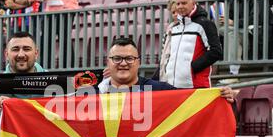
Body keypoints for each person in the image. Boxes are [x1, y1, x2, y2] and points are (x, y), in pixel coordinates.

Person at [95, 37, 235, 104]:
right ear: (108, 62)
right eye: (117, 58)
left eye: (129, 58)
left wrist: (220, 97)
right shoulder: (90, 95)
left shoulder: (160, 90)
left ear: (138, 62)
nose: (123, 63)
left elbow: (193, 101)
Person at [153, 0, 222, 89]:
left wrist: (192, 67)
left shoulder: (205, 24)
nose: (180, 6)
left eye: (184, 3)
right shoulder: (174, 28)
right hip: (172, 86)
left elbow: (216, 51)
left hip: (196, 86)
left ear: (193, 3)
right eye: (178, 4)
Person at [29, 0, 80, 69]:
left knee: (64, 39)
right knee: (45, 40)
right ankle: (44, 69)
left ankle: (69, 70)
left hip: (66, 7)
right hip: (51, 8)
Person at [221, 0, 273, 77]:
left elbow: (256, 18)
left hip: (256, 34)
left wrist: (234, 22)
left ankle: (233, 74)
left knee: (232, 33)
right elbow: (229, 21)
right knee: (216, 29)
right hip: (241, 31)